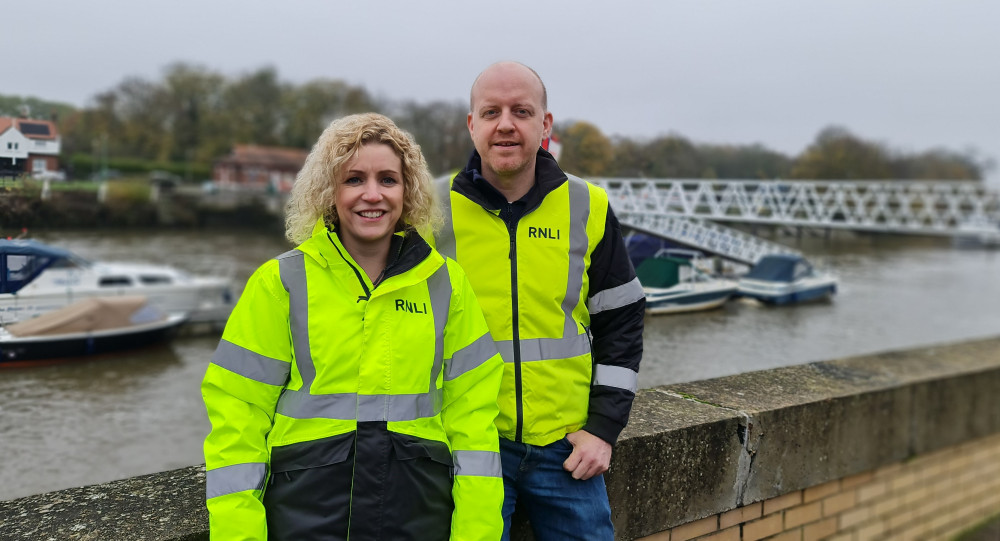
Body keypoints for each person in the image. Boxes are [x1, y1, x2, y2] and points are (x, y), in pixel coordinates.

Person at [202, 113, 505, 540]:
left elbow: (474, 422)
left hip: (418, 517)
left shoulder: (447, 285)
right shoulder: (280, 283)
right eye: (354, 179)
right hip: (304, 520)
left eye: (388, 179)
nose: (372, 194)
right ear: (329, 190)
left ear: (408, 190)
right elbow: (237, 418)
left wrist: (476, 534)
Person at [430, 62, 645, 540]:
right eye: (491, 112)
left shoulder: (587, 205)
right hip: (467, 446)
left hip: (565, 448)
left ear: (545, 125)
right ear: (472, 125)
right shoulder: (429, 209)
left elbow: (623, 321)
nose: (505, 123)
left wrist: (604, 427)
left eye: (521, 111)